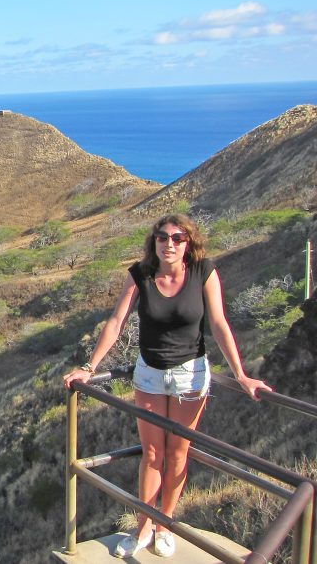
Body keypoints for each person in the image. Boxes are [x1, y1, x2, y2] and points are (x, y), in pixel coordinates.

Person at [62, 213, 271, 558]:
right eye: (162, 237)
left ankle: (165, 524)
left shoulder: (204, 272)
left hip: (190, 375)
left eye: (178, 237)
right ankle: (143, 527)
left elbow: (219, 324)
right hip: (150, 375)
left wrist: (241, 374)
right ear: (154, 241)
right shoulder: (140, 274)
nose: (169, 243)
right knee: (153, 454)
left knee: (177, 455)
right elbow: (116, 322)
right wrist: (89, 366)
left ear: (189, 243)